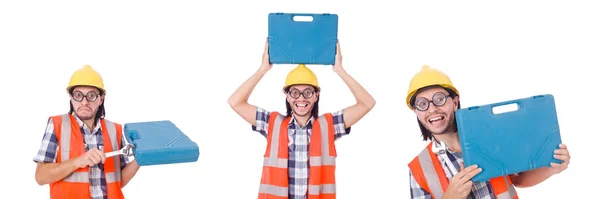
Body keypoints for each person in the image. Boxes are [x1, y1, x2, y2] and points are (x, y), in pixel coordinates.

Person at [228, 39, 376, 199]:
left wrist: (340, 70)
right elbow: (235, 102)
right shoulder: (272, 123)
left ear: (316, 96)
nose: (301, 99)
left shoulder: (329, 125)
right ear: (287, 96)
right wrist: (262, 70)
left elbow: (367, 103)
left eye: (307, 92)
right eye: (294, 92)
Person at [406, 65, 571, 199]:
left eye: (439, 99)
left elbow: (517, 179)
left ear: (455, 102)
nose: (432, 109)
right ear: (416, 112)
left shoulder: (490, 136)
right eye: (422, 104)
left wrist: (551, 169)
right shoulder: (419, 168)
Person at [33, 65, 141, 199]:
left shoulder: (115, 129)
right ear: (71, 98)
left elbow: (119, 181)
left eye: (91, 96)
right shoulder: (57, 125)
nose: (84, 102)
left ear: (101, 99)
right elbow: (40, 177)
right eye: (78, 95)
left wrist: (140, 158)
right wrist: (77, 161)